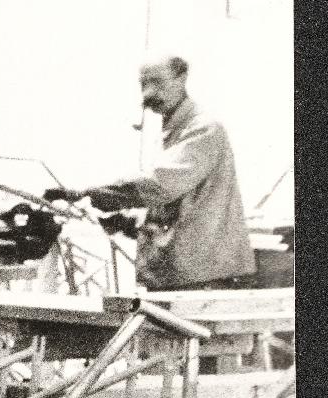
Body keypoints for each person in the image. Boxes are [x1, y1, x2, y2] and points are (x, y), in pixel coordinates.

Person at [52, 55, 256, 291]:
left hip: (203, 276)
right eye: (143, 84)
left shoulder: (204, 128)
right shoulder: (173, 130)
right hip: (180, 272)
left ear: (181, 79)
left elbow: (160, 185)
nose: (148, 92)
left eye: (157, 82)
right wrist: (127, 220)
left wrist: (89, 192)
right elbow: (171, 203)